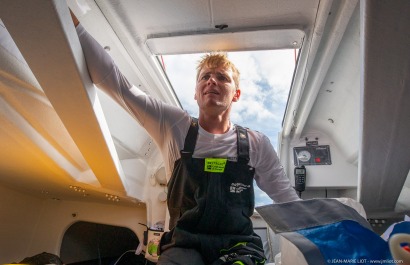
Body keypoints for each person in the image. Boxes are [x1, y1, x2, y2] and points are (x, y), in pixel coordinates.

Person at [70, 10, 300, 265]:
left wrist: (327, 233)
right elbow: (117, 85)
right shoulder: (174, 126)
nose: (212, 81)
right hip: (184, 244)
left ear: (236, 94)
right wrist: (73, 26)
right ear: (196, 92)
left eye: (222, 77)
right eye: (205, 77)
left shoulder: (256, 143)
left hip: (239, 245)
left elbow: (286, 200)